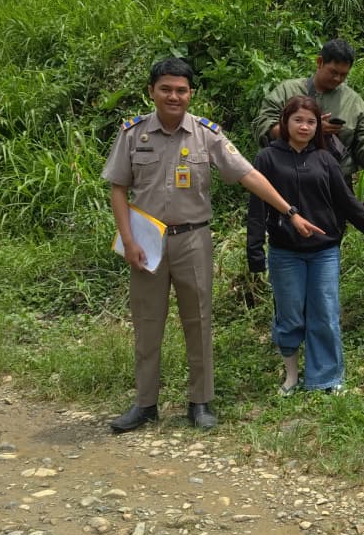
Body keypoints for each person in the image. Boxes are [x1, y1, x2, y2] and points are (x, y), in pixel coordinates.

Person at [104, 57, 323, 433]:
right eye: (166, 89)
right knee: (147, 322)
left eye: (181, 90)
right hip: (146, 243)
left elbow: (248, 175)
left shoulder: (207, 134)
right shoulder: (132, 134)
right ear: (152, 92)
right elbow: (118, 188)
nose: (174, 96)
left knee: (200, 321)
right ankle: (144, 403)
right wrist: (127, 239)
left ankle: (200, 402)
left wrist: (290, 212)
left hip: (193, 239)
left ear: (191, 93)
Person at [246, 96, 364, 394]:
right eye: (298, 120)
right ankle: (291, 376)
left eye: (311, 122)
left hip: (324, 251)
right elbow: (257, 207)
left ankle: (326, 379)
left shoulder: (326, 159)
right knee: (289, 314)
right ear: (285, 122)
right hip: (284, 251)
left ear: (318, 127)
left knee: (324, 312)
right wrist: (254, 250)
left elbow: (346, 202)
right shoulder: (267, 159)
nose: (304, 126)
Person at [252, 37, 364, 220]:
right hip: (287, 180)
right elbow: (264, 126)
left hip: (333, 185)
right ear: (319, 62)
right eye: (333, 72)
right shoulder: (287, 91)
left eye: (343, 75)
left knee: (330, 238)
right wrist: (310, 129)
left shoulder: (353, 102)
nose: (338, 79)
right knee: (286, 235)